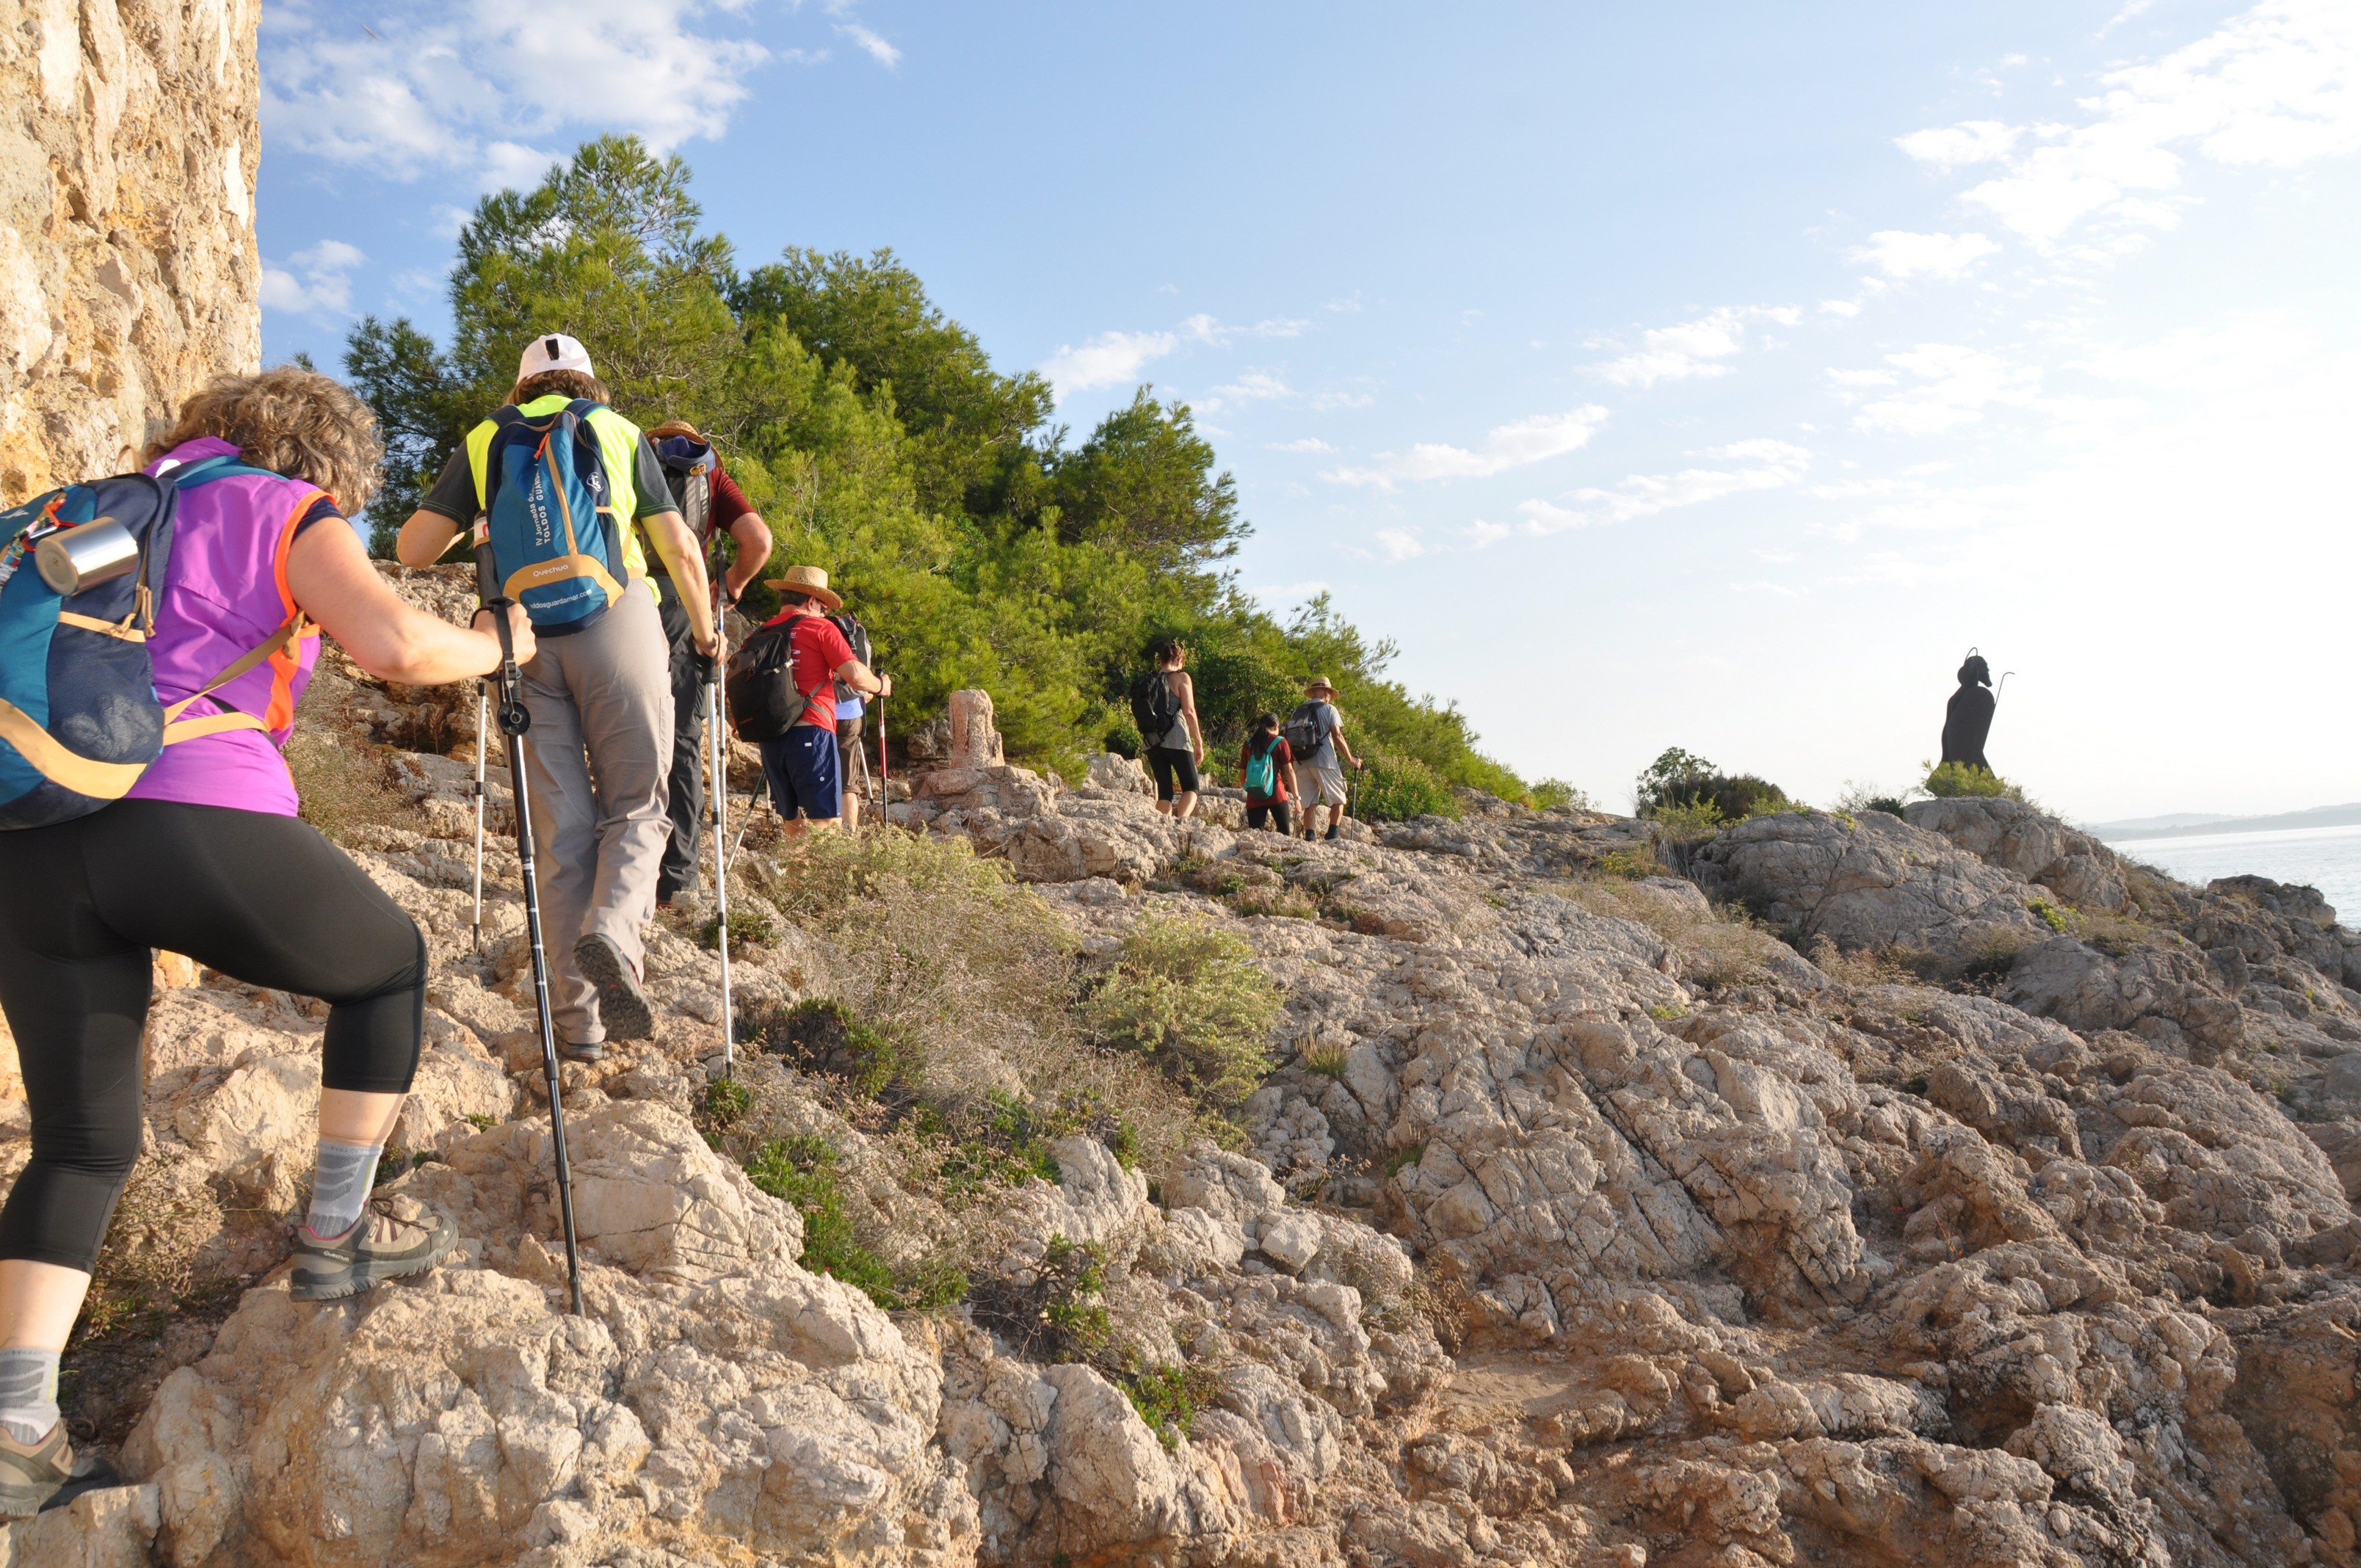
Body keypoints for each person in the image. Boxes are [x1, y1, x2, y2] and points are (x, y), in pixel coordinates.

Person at [0, 367, 532, 1514]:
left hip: (32, 838)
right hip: (187, 814)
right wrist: (498, 643)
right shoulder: (280, 505)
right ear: (323, 455)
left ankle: (15, 1428)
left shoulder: (91, 508)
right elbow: (396, 644)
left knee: (82, 1145)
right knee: (388, 966)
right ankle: (336, 1232)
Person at [396, 335, 717, 1061]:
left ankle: (578, 1032)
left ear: (522, 387)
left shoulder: (485, 439)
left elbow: (413, 550)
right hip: (617, 621)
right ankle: (614, 934)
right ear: (587, 383)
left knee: (560, 836)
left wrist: (481, 520)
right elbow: (681, 549)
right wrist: (705, 636)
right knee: (637, 805)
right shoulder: (616, 430)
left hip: (520, 639)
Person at [644, 420, 772, 907]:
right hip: (686, 605)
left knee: (619, 731)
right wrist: (732, 585)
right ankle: (678, 879)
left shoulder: (634, 459)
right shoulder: (711, 474)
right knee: (681, 738)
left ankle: (621, 865)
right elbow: (758, 540)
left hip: (626, 598)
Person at [749, 567, 888, 840]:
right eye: (823, 607)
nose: (824, 613)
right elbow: (855, 675)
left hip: (770, 737)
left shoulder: (760, 634)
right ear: (811, 601)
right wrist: (882, 686)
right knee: (826, 824)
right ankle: (822, 871)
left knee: (794, 826)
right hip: (811, 732)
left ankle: (795, 870)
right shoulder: (819, 628)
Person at [1288, 676, 1361, 841]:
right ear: (1327, 693)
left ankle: (1310, 836)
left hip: (1300, 762)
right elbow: (1337, 735)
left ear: (1312, 693)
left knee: (1309, 803)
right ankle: (1333, 835)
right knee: (1339, 799)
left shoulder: (1298, 710)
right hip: (1324, 761)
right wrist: (1351, 759)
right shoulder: (1330, 709)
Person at [1141, 639, 1205, 820]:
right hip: (1176, 738)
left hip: (1152, 741)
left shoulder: (1149, 680)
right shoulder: (1182, 678)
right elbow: (1189, 712)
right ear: (1179, 660)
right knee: (1192, 787)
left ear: (1161, 660)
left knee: (1165, 792)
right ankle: (1181, 823)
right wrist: (1198, 742)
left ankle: (1164, 827)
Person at [1238, 714, 1299, 835]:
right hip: (1276, 793)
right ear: (1276, 726)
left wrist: (1250, 788)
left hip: (1254, 795)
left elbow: (1242, 774)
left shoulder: (1249, 743)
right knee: (1285, 835)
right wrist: (1296, 798)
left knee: (1255, 837)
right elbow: (1289, 771)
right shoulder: (1281, 742)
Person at [1942, 652, 1996, 774]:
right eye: (1985, 667)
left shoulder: (1960, 697)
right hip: (1964, 753)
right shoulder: (1975, 695)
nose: (1988, 670)